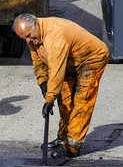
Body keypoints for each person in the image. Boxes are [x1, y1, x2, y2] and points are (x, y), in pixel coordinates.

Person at [13, 14, 109, 157]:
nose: (28, 41)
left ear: (36, 24)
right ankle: (63, 138)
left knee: (82, 101)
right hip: (70, 61)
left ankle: (72, 145)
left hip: (91, 59)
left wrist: (49, 99)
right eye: (24, 39)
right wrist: (43, 83)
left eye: (29, 36)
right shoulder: (33, 34)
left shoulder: (55, 37)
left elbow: (56, 70)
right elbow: (38, 61)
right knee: (64, 99)